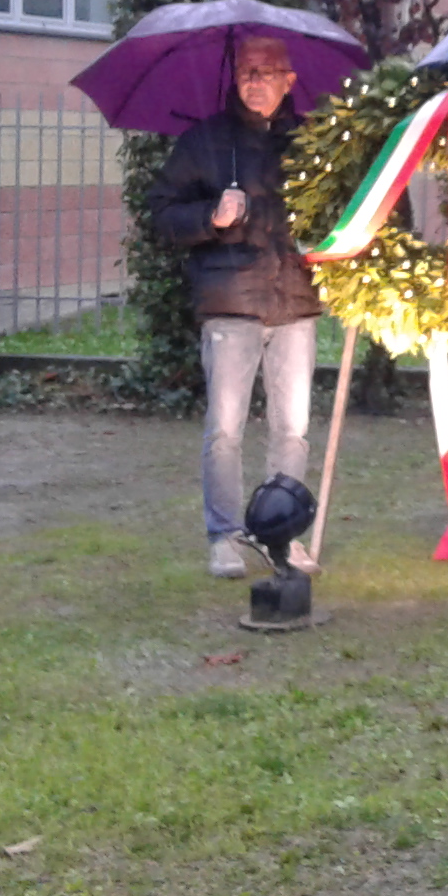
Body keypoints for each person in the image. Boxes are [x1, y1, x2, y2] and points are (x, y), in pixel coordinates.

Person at [149, 35, 324, 580]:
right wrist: (212, 217)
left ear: (289, 81)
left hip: (295, 301)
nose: (255, 81)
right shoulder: (204, 142)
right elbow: (160, 215)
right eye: (247, 71)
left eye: (268, 72)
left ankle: (282, 536)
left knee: (292, 430)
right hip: (229, 303)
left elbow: (336, 208)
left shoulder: (313, 143)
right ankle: (225, 536)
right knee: (225, 430)